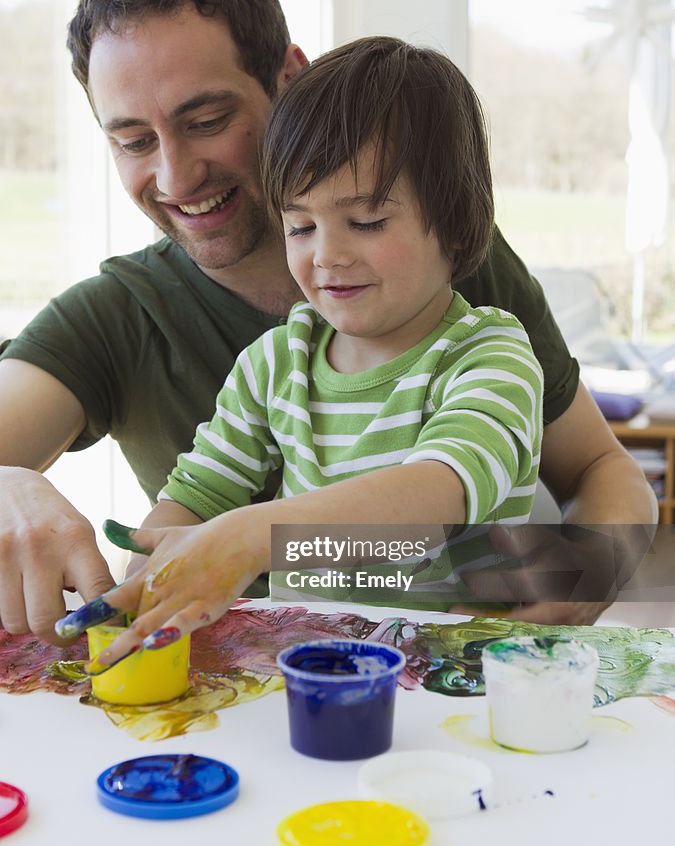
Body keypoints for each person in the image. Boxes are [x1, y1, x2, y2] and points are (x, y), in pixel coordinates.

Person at [0, 0, 655, 645]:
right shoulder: (171, 333)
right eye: (132, 140)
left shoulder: (464, 296)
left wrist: (585, 568)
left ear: (288, 79)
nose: (176, 176)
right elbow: (191, 498)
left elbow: (560, 471)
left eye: (207, 120)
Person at [61, 35, 545, 665]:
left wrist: (254, 537)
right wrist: (152, 586)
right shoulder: (274, 364)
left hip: (460, 682)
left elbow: (434, 499)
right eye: (300, 226)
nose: (326, 255)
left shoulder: (490, 356)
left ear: (454, 223)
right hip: (309, 672)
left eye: (366, 222)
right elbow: (196, 499)